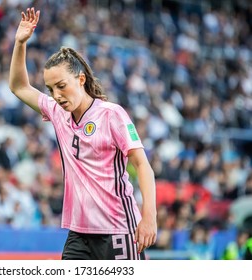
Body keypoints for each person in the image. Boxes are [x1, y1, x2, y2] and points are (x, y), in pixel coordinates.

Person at [9, 7, 157, 260]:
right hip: (78, 233)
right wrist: (20, 43)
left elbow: (142, 165)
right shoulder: (57, 112)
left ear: (80, 80)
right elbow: (19, 86)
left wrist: (149, 218)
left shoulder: (112, 114)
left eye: (61, 86)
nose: (56, 95)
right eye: (51, 88)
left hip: (119, 228)